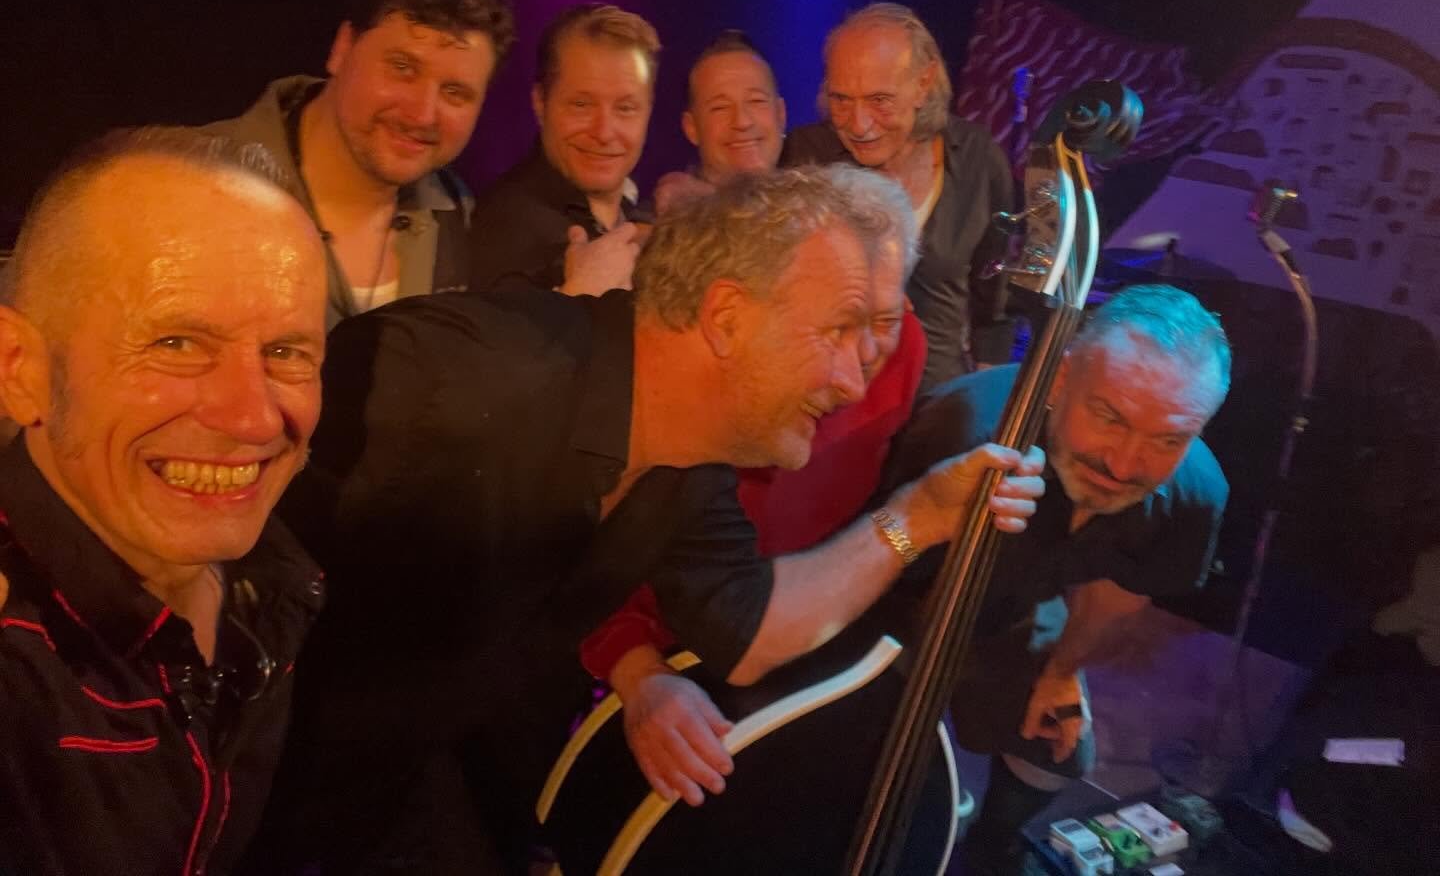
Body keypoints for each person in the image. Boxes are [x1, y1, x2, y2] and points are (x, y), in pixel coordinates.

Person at [245, 166, 1045, 874]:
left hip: (391, 796)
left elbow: (751, 632)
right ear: (727, 317)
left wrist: (922, 515)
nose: (854, 380)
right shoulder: (453, 377)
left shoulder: (690, 468)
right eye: (838, 330)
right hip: (235, 800)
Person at [0, 127, 329, 875]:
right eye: (176, 343)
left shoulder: (275, 581)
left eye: (286, 352)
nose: (254, 418)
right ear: (21, 369)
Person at [579, 168, 927, 807]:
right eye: (842, 323)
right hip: (667, 644)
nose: (861, 361)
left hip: (793, 640)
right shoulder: (736, 375)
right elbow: (596, 529)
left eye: (884, 317)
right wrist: (638, 671)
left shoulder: (905, 348)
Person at [883, 283, 1232, 876]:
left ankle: (992, 846)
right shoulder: (961, 427)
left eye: (1167, 439)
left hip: (1016, 604)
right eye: (1110, 417)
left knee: (1057, 745)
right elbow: (872, 547)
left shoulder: (1195, 494)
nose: (1124, 464)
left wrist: (1062, 672)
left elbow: (1115, 597)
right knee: (883, 765)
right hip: (894, 601)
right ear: (1061, 378)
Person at [208, 0, 515, 328]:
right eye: (402, 68)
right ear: (342, 48)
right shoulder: (189, 183)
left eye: (455, 93)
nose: (422, 114)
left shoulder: (461, 218)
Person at [783, 2, 1016, 389]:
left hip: (939, 401)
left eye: (880, 100)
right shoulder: (806, 157)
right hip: (834, 396)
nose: (859, 125)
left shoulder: (978, 159)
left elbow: (995, 301)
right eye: (841, 100)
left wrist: (985, 396)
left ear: (924, 83)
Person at [468, 3, 660, 296]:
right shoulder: (511, 229)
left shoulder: (635, 217)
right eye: (581, 105)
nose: (604, 132)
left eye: (625, 108)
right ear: (540, 103)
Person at [651, 30, 787, 216]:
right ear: (691, 128)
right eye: (720, 107)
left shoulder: (813, 214)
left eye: (756, 101)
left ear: (781, 114)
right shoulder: (661, 223)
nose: (742, 121)